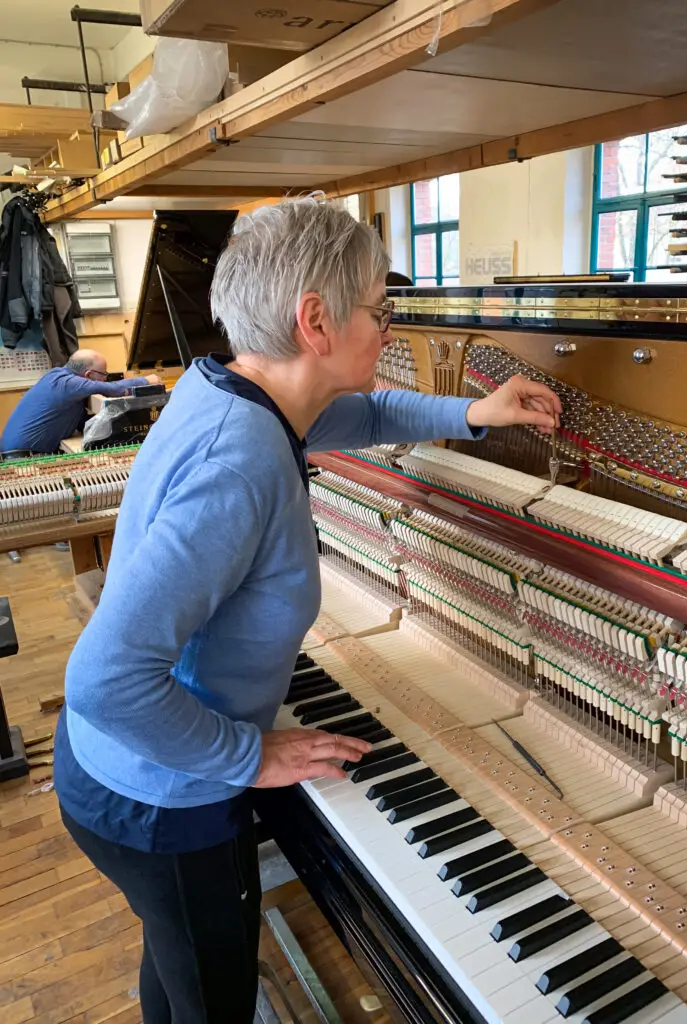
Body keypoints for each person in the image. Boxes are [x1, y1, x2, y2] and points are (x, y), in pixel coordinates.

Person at [54, 198, 561, 1024]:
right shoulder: (239, 462)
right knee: (212, 1001)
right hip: (157, 796)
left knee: (175, 970)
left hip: (122, 775)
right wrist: (250, 758)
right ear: (316, 320)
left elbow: (364, 413)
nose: (389, 327)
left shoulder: (234, 390)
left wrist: (471, 414)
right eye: (380, 309)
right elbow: (106, 679)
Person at [0, 349, 161, 456]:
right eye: (104, 374)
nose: (106, 377)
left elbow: (82, 422)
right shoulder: (70, 383)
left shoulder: (56, 375)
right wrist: (146, 380)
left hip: (21, 451)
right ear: (89, 374)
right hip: (22, 457)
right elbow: (112, 389)